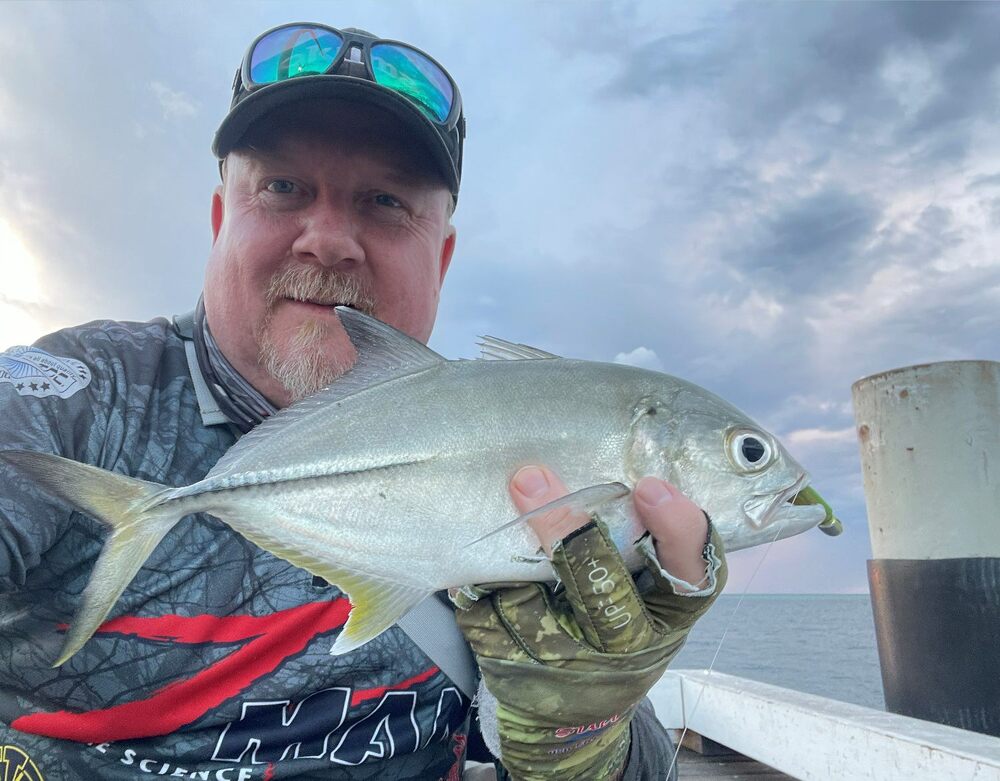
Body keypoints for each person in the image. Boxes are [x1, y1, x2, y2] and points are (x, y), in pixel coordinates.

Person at [0, 23, 725, 780]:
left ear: (441, 259)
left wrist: (583, 735)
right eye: (283, 188)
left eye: (385, 201)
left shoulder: (517, 452)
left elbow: (638, 765)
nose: (328, 240)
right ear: (221, 220)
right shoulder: (76, 399)